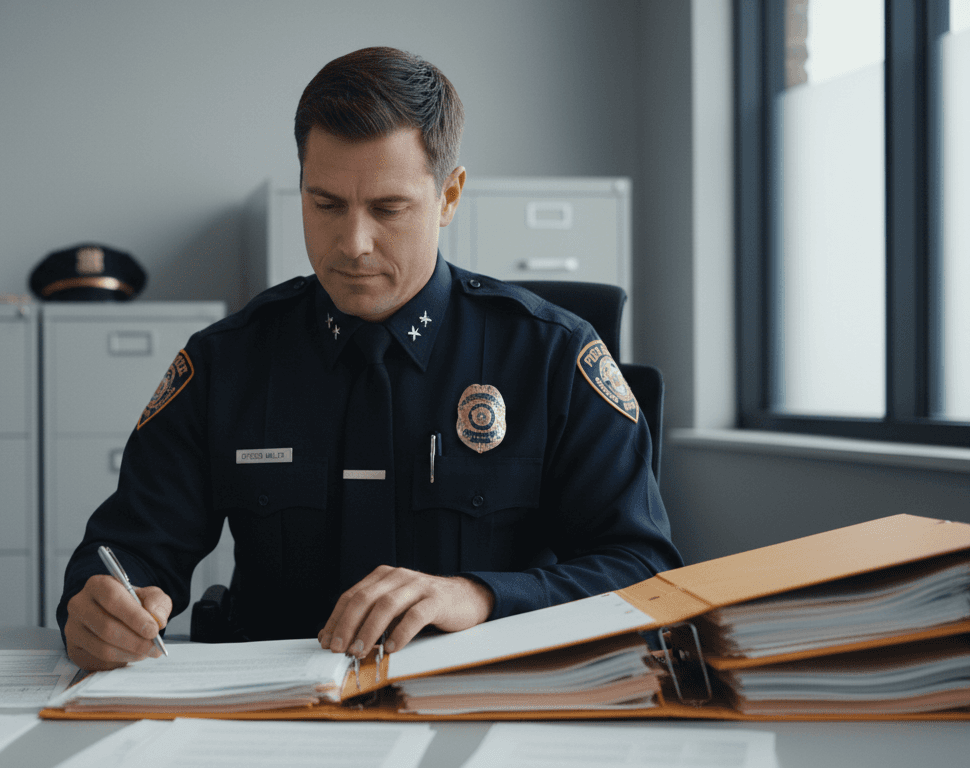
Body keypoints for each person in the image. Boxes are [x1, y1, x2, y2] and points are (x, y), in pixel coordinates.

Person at [58, 46, 682, 671]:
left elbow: (644, 571)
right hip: (277, 710)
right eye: (326, 204)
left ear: (449, 197)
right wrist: (98, 605)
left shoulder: (551, 354)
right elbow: (127, 548)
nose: (354, 245)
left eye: (388, 209)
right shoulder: (228, 362)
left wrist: (482, 595)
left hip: (482, 700)